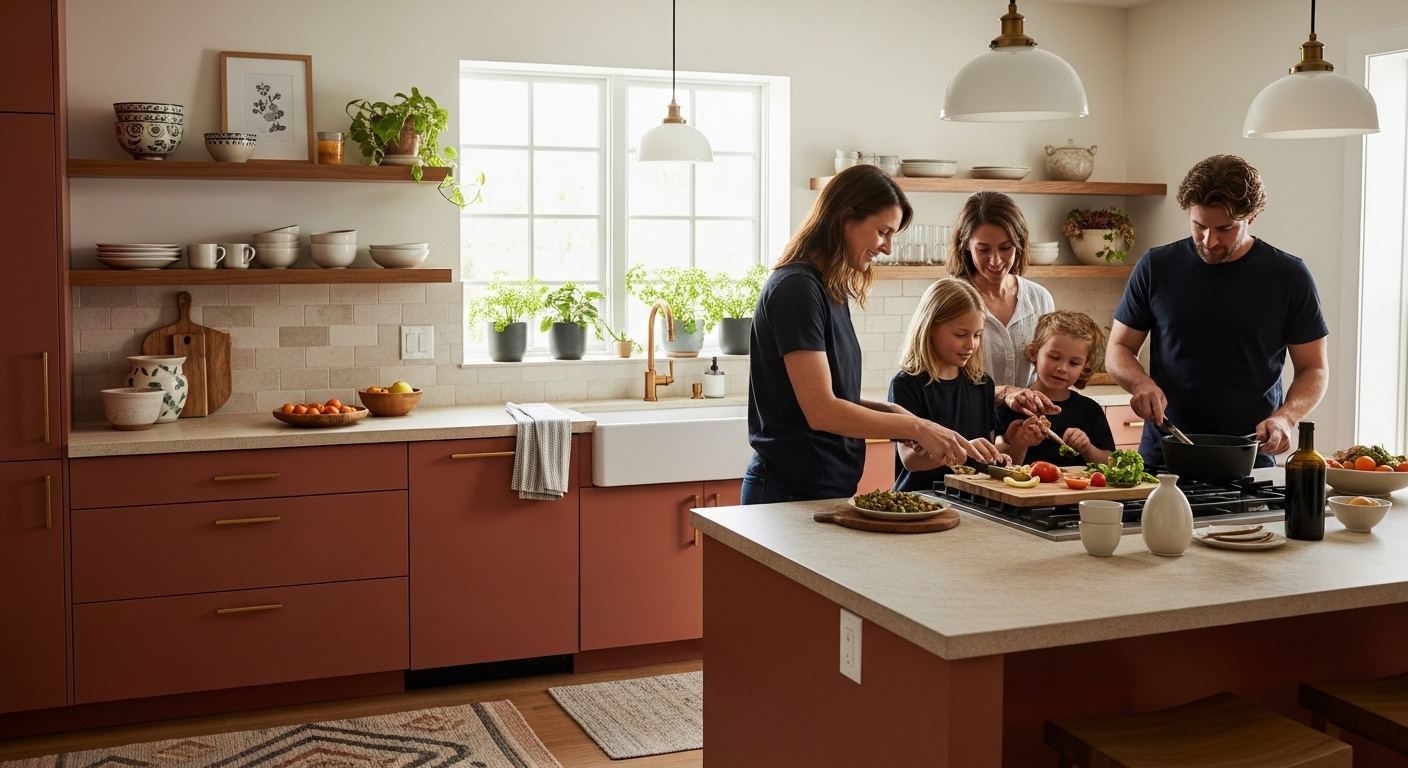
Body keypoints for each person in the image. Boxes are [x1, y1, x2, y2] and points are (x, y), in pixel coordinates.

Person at [743, 165, 1000, 504]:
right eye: (882, 231)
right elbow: (822, 410)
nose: (888, 248)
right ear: (845, 217)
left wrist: (905, 417)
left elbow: (839, 397)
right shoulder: (797, 290)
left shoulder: (827, 289)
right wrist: (915, 428)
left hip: (821, 490)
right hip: (784, 492)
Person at [1105, 154, 1329, 467]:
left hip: (1250, 457)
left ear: (1251, 217)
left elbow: (1313, 368)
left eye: (1224, 228)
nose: (1209, 241)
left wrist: (1286, 418)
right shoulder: (1157, 266)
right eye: (1199, 226)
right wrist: (1140, 383)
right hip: (1165, 454)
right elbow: (1119, 348)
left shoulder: (1289, 276)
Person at [946, 191, 1065, 418]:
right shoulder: (948, 299)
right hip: (966, 431)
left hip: (1028, 431)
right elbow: (935, 384)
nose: (995, 260)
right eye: (983, 250)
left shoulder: (1040, 299)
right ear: (966, 245)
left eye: (1005, 247)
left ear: (1019, 244)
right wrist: (1004, 393)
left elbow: (1048, 369)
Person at [889, 278, 1008, 492]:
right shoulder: (906, 384)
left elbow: (984, 453)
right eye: (960, 335)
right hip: (921, 499)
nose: (970, 345)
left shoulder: (983, 384)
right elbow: (911, 460)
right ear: (931, 328)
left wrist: (999, 455)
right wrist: (965, 448)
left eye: (977, 335)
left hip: (970, 501)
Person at [996, 310, 1115, 466]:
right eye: (1054, 357)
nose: (1062, 368)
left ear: (1084, 367)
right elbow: (998, 466)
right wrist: (1020, 443)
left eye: (1074, 363)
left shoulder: (1090, 410)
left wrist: (1087, 448)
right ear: (1034, 354)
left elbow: (1110, 462)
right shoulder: (1013, 406)